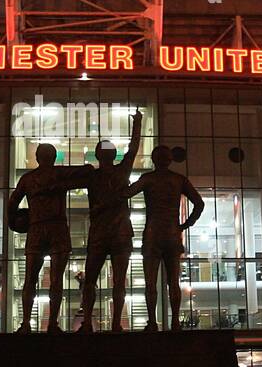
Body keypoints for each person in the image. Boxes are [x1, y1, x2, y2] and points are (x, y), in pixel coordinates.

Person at [8, 143, 90, 333]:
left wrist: (15, 222)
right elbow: (84, 172)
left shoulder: (28, 178)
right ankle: (51, 324)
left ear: (37, 157)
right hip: (56, 228)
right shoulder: (58, 174)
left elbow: (12, 203)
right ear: (53, 158)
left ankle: (27, 323)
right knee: (55, 280)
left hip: (39, 228)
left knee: (30, 279)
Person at [123, 145, 205, 331]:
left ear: (153, 159)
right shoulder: (179, 180)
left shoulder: (148, 179)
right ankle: (175, 321)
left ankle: (152, 322)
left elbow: (126, 193)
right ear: (170, 160)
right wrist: (186, 224)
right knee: (173, 281)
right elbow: (199, 203)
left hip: (153, 233)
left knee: (150, 281)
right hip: (172, 232)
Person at [78, 111, 143, 332]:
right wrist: (137, 124)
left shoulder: (91, 176)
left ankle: (88, 322)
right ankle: (115, 324)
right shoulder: (121, 170)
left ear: (97, 155)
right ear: (114, 155)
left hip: (101, 232)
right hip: (119, 232)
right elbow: (133, 148)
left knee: (90, 280)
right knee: (118, 281)